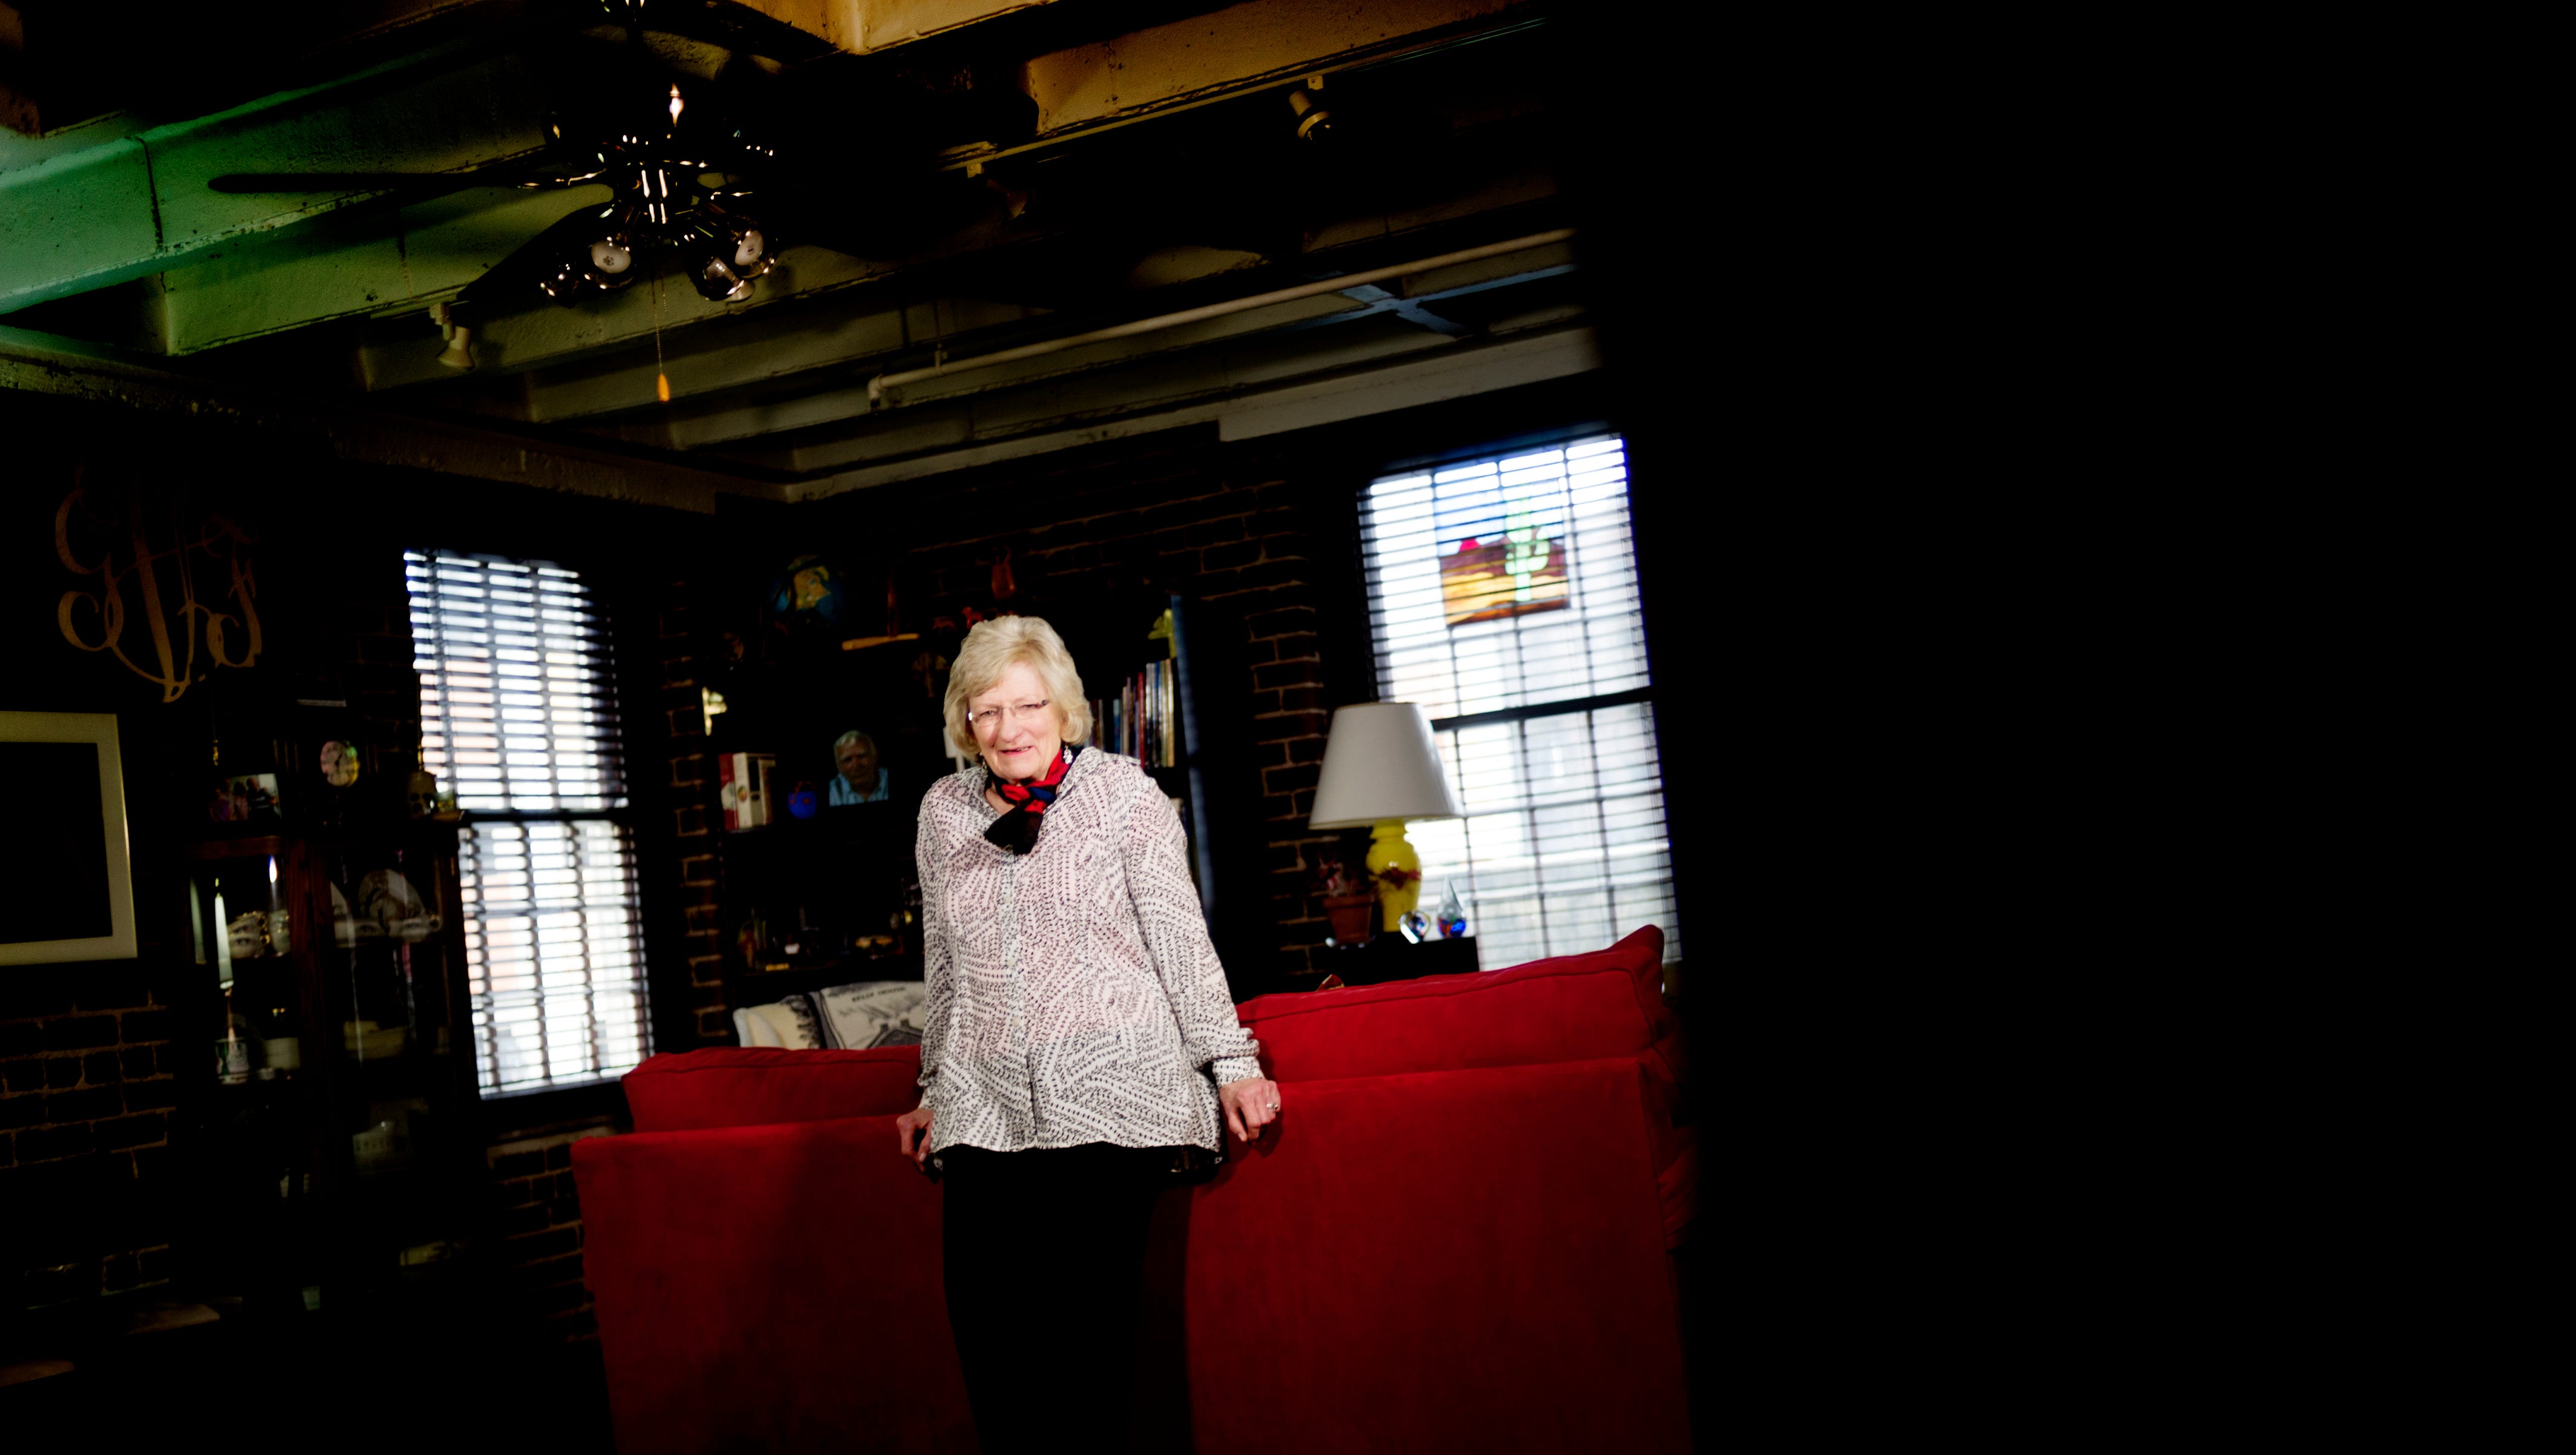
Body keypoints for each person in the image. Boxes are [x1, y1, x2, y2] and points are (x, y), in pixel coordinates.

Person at [896, 616, 1280, 1452]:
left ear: (1063, 708)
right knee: (990, 1347)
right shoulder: (942, 812)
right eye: (987, 710)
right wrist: (931, 1089)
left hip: (1112, 1096)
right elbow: (943, 963)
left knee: (1081, 1355)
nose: (1008, 728)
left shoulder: (1122, 795)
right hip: (982, 1106)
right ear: (965, 720)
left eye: (1027, 705)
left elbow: (1179, 938)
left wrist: (1232, 1061)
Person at [827, 728, 889, 805]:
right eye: (848, 760)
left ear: (875, 756)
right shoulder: (832, 791)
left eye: (861, 756)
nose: (856, 765)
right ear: (838, 765)